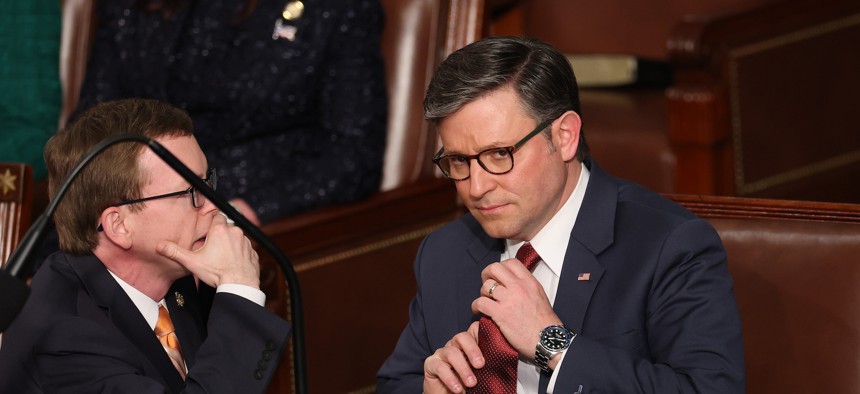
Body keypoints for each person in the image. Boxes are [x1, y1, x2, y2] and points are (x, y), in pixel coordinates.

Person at [376, 36, 744, 393]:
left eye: (499, 155)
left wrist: (552, 344)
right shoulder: (445, 251)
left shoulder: (668, 245)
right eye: (458, 161)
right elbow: (397, 382)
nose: (476, 187)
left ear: (565, 136)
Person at [0, 99, 291, 393]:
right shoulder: (66, 340)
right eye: (191, 191)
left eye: (207, 183)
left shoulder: (175, 276)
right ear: (119, 225)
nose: (214, 205)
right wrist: (240, 288)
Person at [74, 0, 388, 224]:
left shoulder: (337, 9)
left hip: (245, 212)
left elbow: (354, 156)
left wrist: (249, 211)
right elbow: (90, 131)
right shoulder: (129, 7)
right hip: (126, 208)